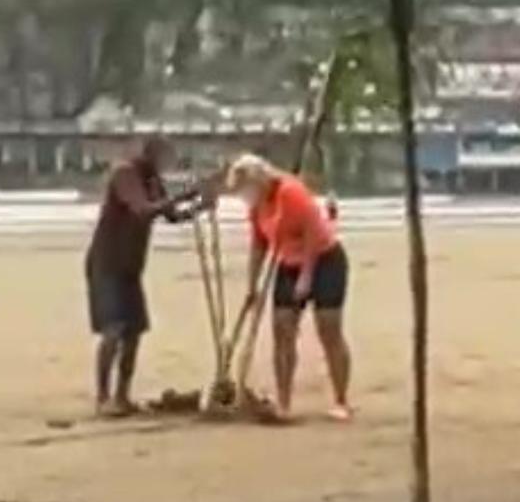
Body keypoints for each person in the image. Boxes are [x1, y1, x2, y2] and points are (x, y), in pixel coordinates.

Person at [227, 153, 352, 422]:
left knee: (328, 328)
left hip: (324, 258)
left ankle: (341, 399)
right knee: (282, 329)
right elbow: (259, 245)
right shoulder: (257, 206)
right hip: (287, 261)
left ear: (257, 180)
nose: (244, 197)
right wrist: (252, 286)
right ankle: (284, 402)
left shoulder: (290, 192)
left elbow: (311, 233)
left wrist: (306, 277)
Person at [86, 137, 201, 417]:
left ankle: (122, 395)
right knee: (113, 331)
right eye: (164, 156)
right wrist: (186, 194)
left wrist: (199, 206)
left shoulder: (152, 179)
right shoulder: (125, 173)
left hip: (131, 266)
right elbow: (143, 210)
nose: (166, 163)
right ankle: (103, 397)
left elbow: (170, 214)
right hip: (107, 262)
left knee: (134, 333)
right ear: (149, 154)